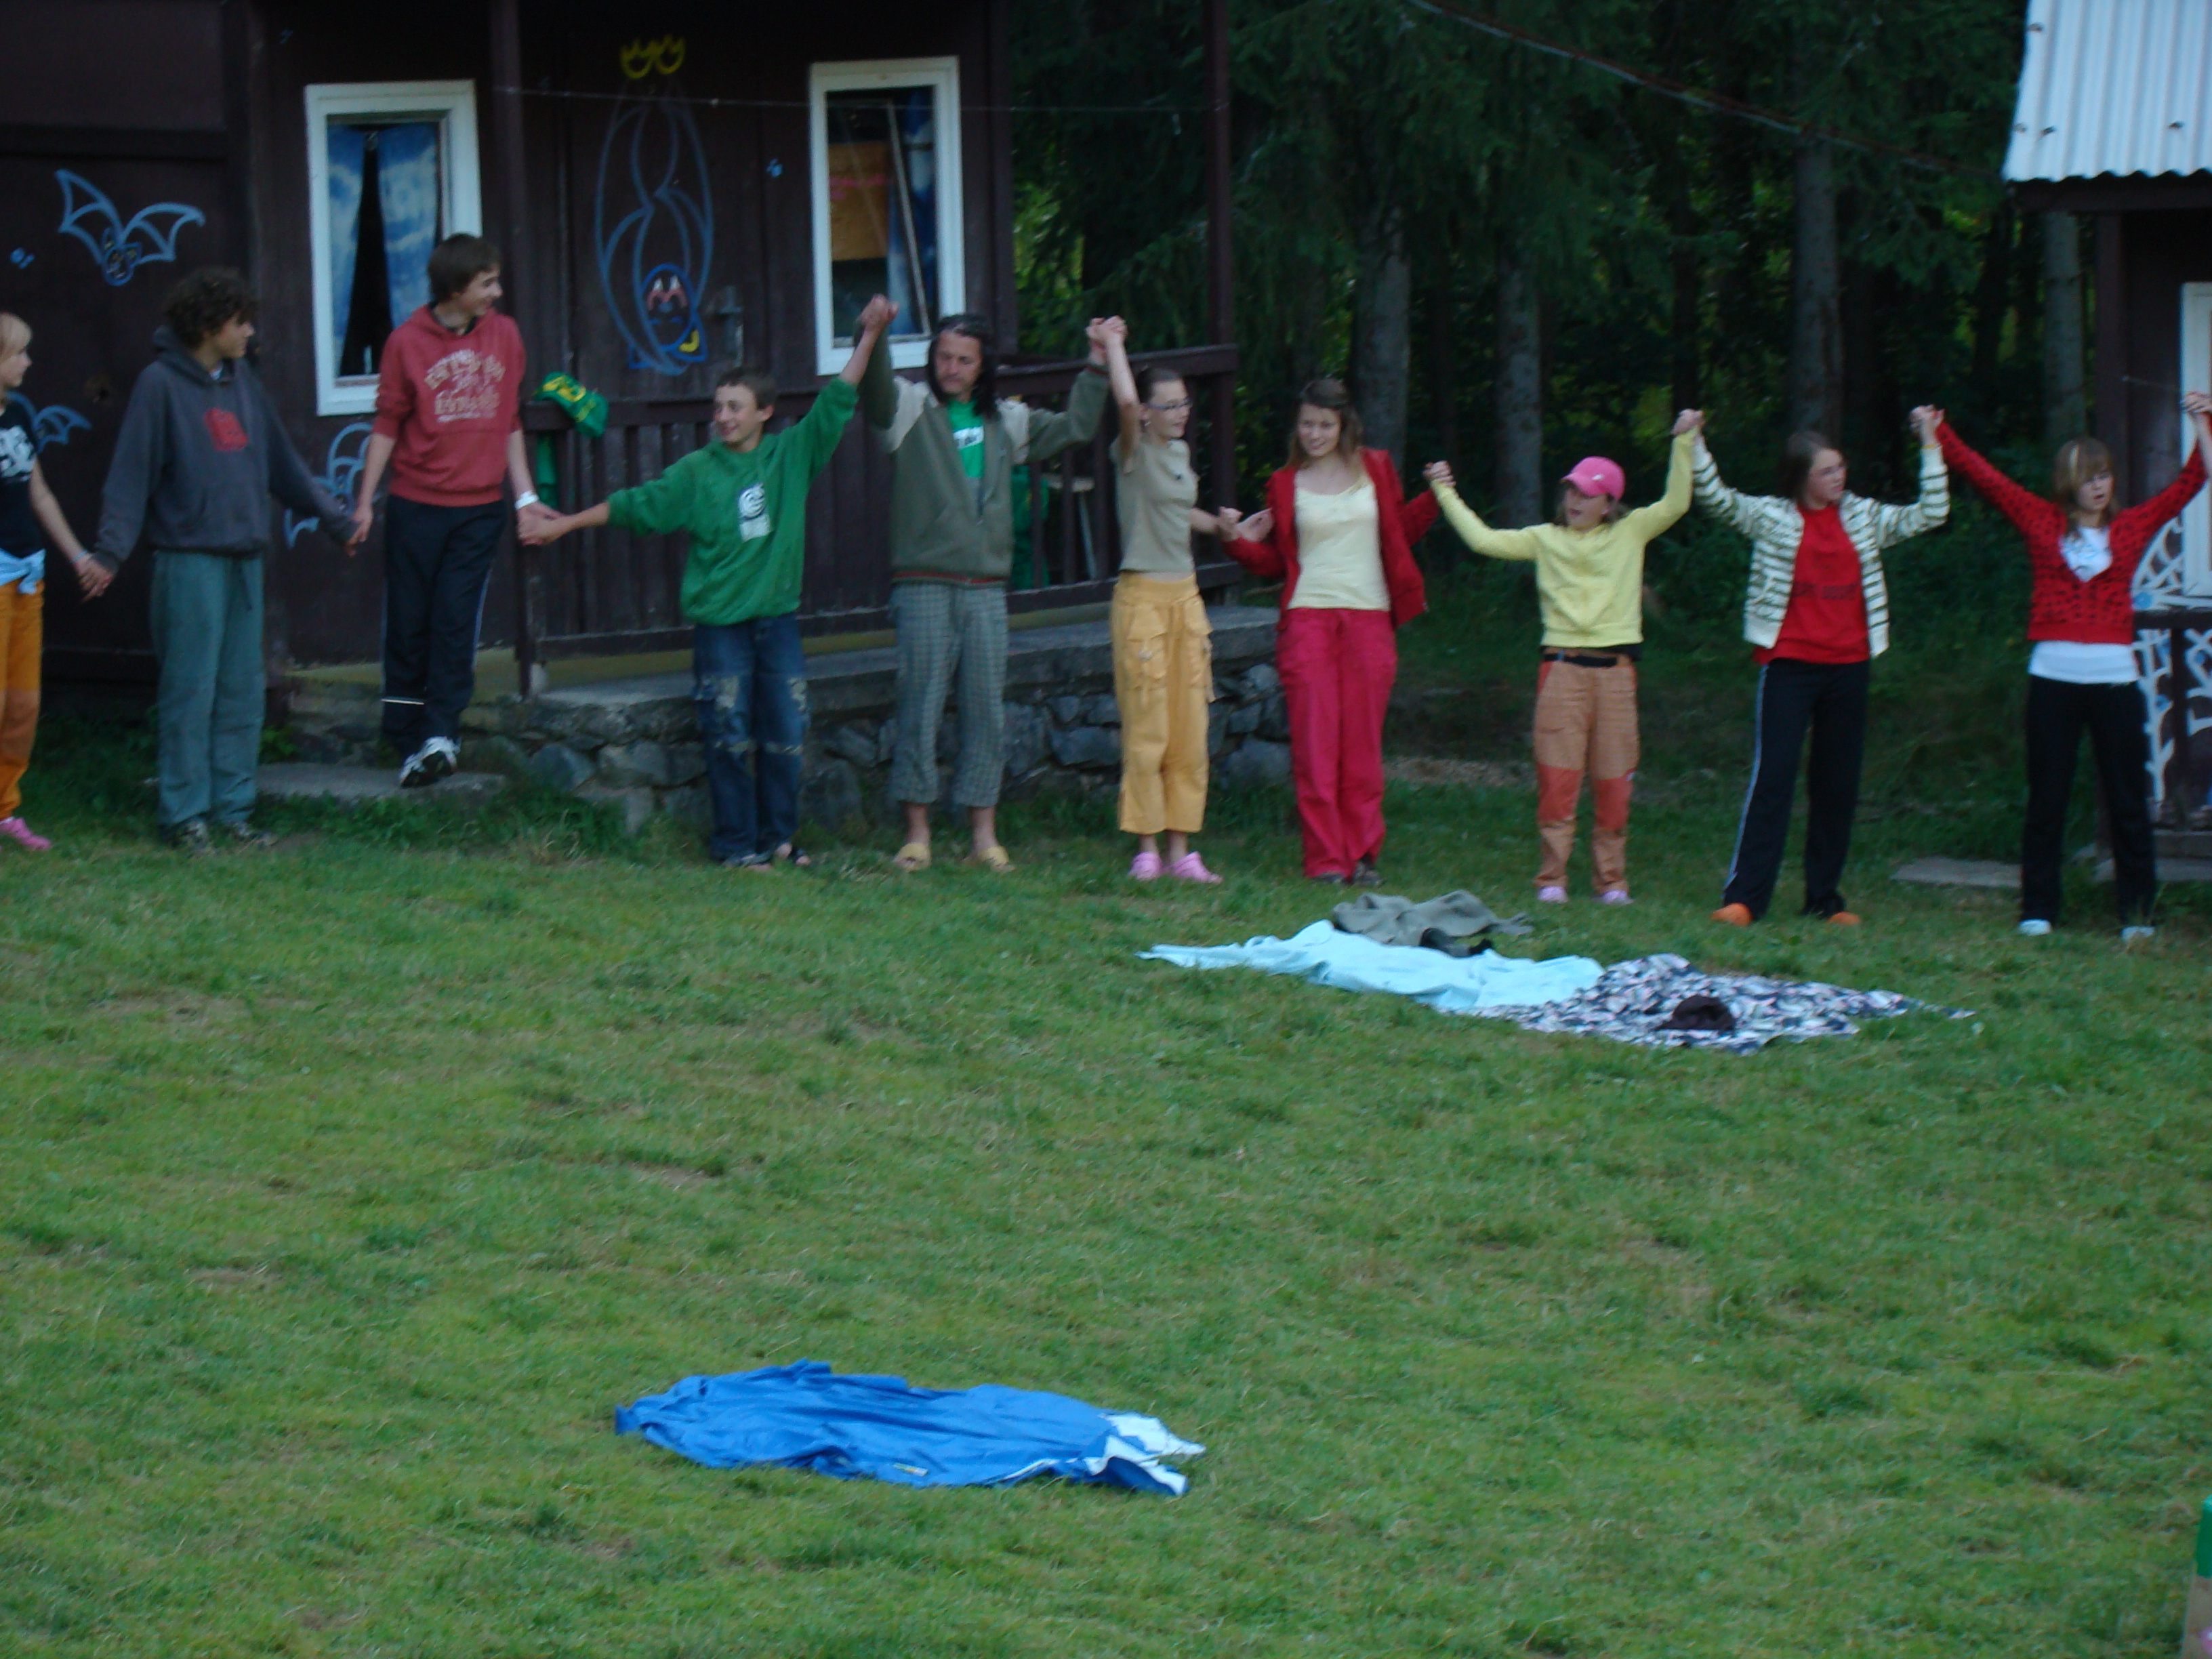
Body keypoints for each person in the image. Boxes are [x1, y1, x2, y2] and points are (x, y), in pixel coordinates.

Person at [523, 297, 898, 868]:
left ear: (765, 412)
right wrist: (565, 524)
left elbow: (839, 399)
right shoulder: (697, 472)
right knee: (728, 736)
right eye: (719, 407)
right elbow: (637, 505)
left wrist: (868, 334)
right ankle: (734, 846)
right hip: (721, 630)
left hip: (777, 625)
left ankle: (777, 839)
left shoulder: (792, 456)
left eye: (735, 407)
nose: (723, 417)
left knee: (786, 733)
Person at [89, 269, 351, 852]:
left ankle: (233, 811)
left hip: (244, 558)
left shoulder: (243, 382)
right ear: (209, 326)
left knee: (241, 692)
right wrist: (109, 552)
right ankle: (184, 817)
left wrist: (336, 522)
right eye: (241, 322)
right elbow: (130, 477)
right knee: (190, 692)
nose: (250, 332)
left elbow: (283, 464)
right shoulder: (159, 385)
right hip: (188, 562)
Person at [1936, 392, 2212, 942]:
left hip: (2115, 679)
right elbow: (1986, 478)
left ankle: (2137, 913)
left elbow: (2192, 481)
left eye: (2104, 475)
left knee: (2128, 798)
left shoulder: (2131, 526)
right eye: (2088, 478)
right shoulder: (2040, 520)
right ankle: (2039, 909)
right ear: (2068, 484)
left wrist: (2203, 418)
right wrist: (1939, 433)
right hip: (2053, 678)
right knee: (2048, 797)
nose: (2098, 486)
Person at [860, 312, 1113, 872]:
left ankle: (984, 835)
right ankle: (917, 834)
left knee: (985, 712)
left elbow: (1075, 426)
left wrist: (1097, 363)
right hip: (924, 583)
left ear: (982, 367)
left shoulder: (1008, 420)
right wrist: (872, 334)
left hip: (986, 590)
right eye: (943, 357)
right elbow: (873, 392)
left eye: (964, 360)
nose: (951, 368)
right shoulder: (908, 408)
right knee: (919, 705)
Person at [1422, 411, 1699, 905]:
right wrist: (1445, 491)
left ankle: (1611, 882)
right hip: (1562, 668)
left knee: (1614, 781)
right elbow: (1483, 540)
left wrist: (1685, 440)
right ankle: (1552, 879)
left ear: (1609, 503)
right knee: (1558, 778)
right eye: (1571, 491)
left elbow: (1677, 502)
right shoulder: (1544, 539)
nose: (1575, 501)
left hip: (1616, 673)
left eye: (1587, 494)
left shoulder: (1631, 532)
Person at [1693, 406, 1948, 926]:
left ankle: (1824, 900)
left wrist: (1930, 443)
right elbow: (1716, 498)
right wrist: (1693, 442)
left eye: (1841, 467)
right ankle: (1745, 899)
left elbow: (1931, 513)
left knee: (1837, 785)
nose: (1839, 477)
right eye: (1827, 471)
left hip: (1849, 666)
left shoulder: (1862, 517)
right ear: (1802, 478)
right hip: (1788, 664)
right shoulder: (1772, 516)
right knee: (1773, 781)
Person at [348, 233, 554, 788]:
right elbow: (388, 423)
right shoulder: (405, 342)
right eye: (487, 283)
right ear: (456, 288)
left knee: (455, 621)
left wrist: (525, 498)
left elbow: (510, 421)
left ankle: (441, 734)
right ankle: (405, 736)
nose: (497, 292)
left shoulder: (505, 335)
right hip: (416, 506)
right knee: (409, 623)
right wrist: (365, 502)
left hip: (479, 509)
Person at [1225, 379, 1437, 884]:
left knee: (1361, 746)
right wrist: (1237, 542)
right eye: (1307, 424)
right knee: (1315, 745)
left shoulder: (1376, 467)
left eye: (1325, 424)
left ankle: (1361, 856)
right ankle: (1325, 860)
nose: (1315, 434)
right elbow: (1278, 561)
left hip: (1369, 618)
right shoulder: (1284, 483)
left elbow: (1399, 533)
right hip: (1308, 619)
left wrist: (1437, 497)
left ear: (1344, 424)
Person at [1097, 318, 1243, 883]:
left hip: (1185, 598)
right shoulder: (1132, 450)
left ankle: (1183, 850)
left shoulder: (1179, 453)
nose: (1182, 412)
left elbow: (1179, 513)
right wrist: (1115, 345)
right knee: (1147, 729)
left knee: (1188, 728)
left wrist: (1223, 527)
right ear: (1146, 413)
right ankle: (1147, 848)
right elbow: (1124, 401)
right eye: (1170, 405)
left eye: (1185, 403)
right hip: (1142, 601)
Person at [0, 313, 103, 851]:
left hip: (27, 573)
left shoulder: (19, 412)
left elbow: (37, 493)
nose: (28, 361)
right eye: (18, 352)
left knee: (22, 704)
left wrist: (78, 556)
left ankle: (4, 808)